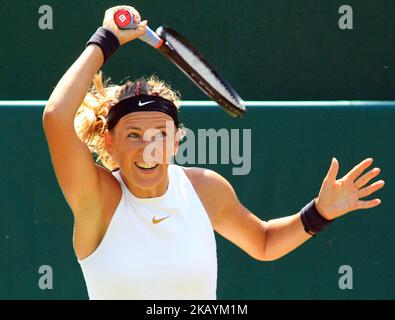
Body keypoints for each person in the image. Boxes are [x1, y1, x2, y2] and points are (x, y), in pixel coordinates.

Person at [42, 5, 385, 300]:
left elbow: (264, 242)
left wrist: (319, 213)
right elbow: (57, 117)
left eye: (161, 134)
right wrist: (107, 38)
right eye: (133, 134)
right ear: (109, 142)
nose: (149, 146)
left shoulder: (206, 189)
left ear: (176, 141)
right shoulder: (97, 199)